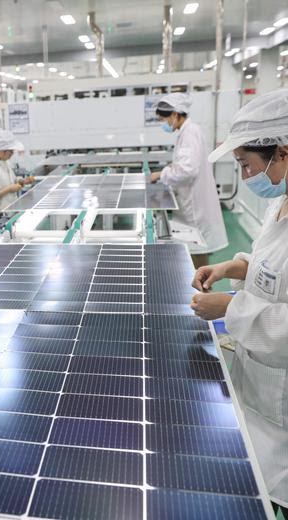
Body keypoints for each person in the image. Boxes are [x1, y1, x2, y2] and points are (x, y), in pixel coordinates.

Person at [190, 88, 288, 516]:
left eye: (247, 164)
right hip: (262, 392)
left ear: (281, 152)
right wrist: (235, 266)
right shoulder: (282, 203)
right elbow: (275, 267)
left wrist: (230, 308)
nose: (246, 175)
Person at [150, 93, 228, 268]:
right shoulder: (187, 131)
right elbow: (186, 163)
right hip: (191, 201)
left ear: (176, 114)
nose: (165, 124)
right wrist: (172, 167)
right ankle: (198, 289)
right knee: (194, 249)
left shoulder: (190, 132)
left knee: (197, 250)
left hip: (195, 207)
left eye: (165, 119)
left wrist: (161, 174)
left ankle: (201, 291)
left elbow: (187, 170)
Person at [0, 129, 35, 221]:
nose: (12, 154)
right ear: (1, 150)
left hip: (9, 213)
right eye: (10, 151)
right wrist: (8, 189)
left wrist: (21, 181)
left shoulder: (4, 162)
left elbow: (11, 180)